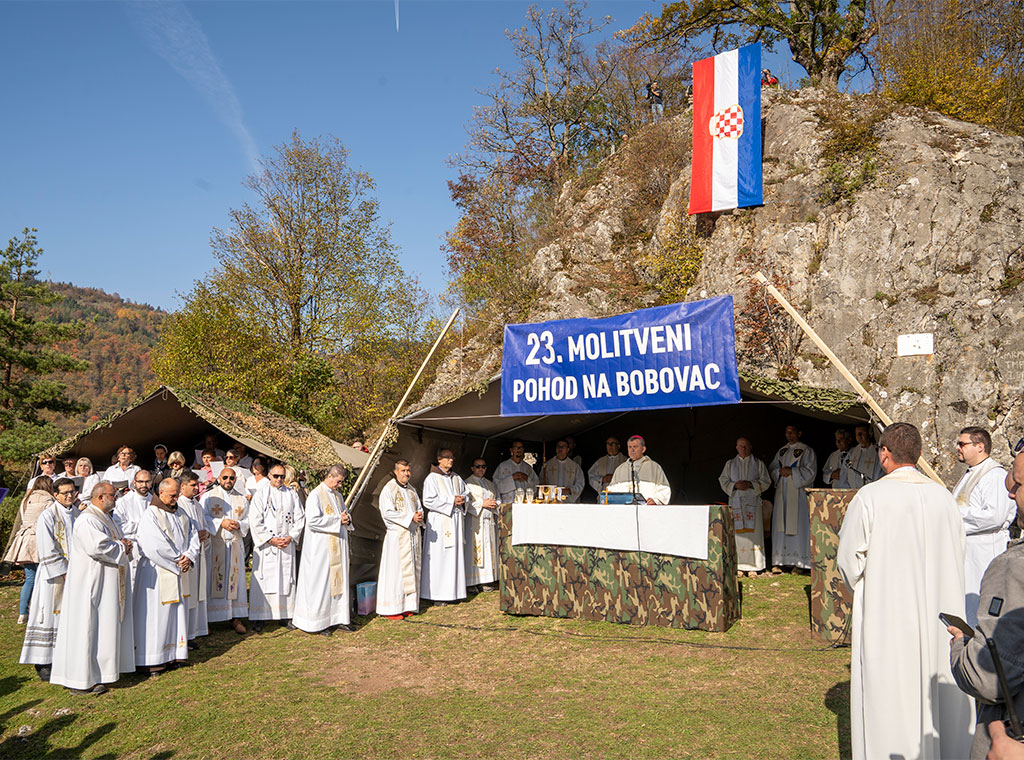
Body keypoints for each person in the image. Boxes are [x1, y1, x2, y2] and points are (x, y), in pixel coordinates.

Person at [837, 422, 972, 760]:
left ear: (884, 454)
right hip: (939, 614)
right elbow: (959, 552)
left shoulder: (870, 497)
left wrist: (870, 592)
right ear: (919, 454)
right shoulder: (944, 498)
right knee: (937, 688)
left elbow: (848, 561)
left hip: (888, 614)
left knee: (890, 690)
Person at [948, 450, 1024, 759]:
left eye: (1018, 484)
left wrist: (960, 647)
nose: (1010, 491)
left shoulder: (1014, 567)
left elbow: (988, 678)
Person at [49, 482, 135, 695]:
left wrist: (124, 544)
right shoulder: (88, 519)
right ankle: (80, 679)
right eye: (112, 495)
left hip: (105, 581)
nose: (116, 498)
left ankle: (99, 673)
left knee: (101, 627)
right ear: (100, 497)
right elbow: (98, 547)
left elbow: (113, 541)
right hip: (90, 583)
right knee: (86, 628)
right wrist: (122, 546)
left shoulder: (105, 517)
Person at [133, 478, 199, 674]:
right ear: (160, 493)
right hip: (157, 572)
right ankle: (152, 659)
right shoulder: (151, 515)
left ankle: (171, 655)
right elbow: (154, 545)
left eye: (177, 494)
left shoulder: (180, 512)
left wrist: (189, 555)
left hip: (177, 570)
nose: (175, 498)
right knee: (157, 617)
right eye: (172, 495)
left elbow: (193, 535)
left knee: (175, 614)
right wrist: (178, 560)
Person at [953, 425, 1013, 627]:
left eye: (962, 444)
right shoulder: (971, 473)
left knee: (982, 600)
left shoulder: (994, 475)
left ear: (979, 446)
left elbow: (995, 516)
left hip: (986, 549)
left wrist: (955, 516)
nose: (957, 448)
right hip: (970, 549)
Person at [19, 477, 78, 680]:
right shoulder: (48, 515)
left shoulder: (78, 514)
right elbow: (47, 547)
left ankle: (65, 656)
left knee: (69, 616)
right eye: (65, 493)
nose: (69, 496)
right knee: (50, 617)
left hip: (75, 574)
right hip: (53, 576)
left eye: (72, 492)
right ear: (55, 495)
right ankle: (44, 661)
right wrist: (63, 571)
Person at [293, 464, 354, 635]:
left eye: (341, 482)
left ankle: (338, 618)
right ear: (330, 476)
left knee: (337, 582)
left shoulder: (338, 496)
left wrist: (347, 519)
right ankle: (318, 622)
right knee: (320, 584)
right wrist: (337, 520)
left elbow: (344, 514)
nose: (340, 485)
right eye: (338, 481)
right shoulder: (315, 495)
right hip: (320, 549)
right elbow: (312, 521)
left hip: (337, 546)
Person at [249, 464, 305, 631]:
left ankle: (285, 615)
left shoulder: (291, 494)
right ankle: (260, 616)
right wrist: (270, 539)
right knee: (265, 579)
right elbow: (255, 520)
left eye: (282, 476)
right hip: (267, 546)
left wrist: (291, 536)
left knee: (286, 579)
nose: (279, 479)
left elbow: (300, 517)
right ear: (269, 475)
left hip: (286, 543)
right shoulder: (260, 495)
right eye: (276, 476)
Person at [202, 468, 250, 634]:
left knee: (235, 581)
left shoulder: (241, 498)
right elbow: (203, 517)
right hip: (217, 544)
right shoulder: (209, 496)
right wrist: (220, 523)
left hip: (235, 544)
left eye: (231, 478)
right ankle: (209, 618)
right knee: (213, 580)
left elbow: (248, 519)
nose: (228, 480)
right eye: (225, 477)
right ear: (219, 478)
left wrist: (240, 524)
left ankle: (235, 617)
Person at [420, 448, 470, 605]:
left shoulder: (456, 477)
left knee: (454, 556)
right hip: (440, 522)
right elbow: (428, 500)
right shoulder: (432, 478)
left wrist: (463, 499)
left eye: (452, 457)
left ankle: (454, 592)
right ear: (439, 459)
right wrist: (451, 501)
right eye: (447, 457)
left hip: (455, 520)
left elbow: (466, 493)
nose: (451, 460)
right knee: (440, 557)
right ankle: (438, 594)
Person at [376, 460, 423, 619]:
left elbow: (418, 508)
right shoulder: (389, 489)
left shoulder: (411, 490)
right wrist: (410, 517)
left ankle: (407, 605)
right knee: (395, 573)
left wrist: (419, 515)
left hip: (411, 535)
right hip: (397, 537)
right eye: (403, 470)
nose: (406, 473)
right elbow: (387, 512)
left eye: (408, 470)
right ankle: (391, 608)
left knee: (410, 571)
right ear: (396, 472)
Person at [5, 477, 56, 624]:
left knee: (29, 579)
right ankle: (40, 610)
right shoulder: (49, 501)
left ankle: (23, 613)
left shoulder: (26, 500)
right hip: (40, 540)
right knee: (43, 578)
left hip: (25, 539)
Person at [718, 437, 772, 575]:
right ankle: (739, 566)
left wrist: (750, 484)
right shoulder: (730, 464)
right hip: (736, 502)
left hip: (753, 503)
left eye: (745, 446)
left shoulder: (758, 464)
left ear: (750, 447)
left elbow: (766, 481)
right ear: (736, 447)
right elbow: (723, 480)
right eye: (740, 446)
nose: (743, 448)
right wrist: (735, 485)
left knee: (754, 534)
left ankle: (754, 567)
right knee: (738, 535)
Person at [769, 424, 817, 572]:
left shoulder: (807, 451)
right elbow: (772, 469)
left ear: (799, 433)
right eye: (787, 432)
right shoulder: (782, 451)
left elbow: (811, 472)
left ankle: (800, 563)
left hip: (798, 494)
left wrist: (792, 472)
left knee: (798, 525)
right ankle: (780, 561)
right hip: (781, 494)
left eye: (792, 432)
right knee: (780, 526)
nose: (789, 435)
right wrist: (779, 472)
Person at [176, 471, 210, 645]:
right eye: (193, 485)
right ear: (182, 486)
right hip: (187, 554)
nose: (196, 488)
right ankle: (186, 634)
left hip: (199, 552)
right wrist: (197, 535)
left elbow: (204, 525)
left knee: (197, 592)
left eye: (197, 484)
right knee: (188, 594)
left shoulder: (196, 503)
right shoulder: (179, 505)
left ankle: (196, 629)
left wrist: (205, 533)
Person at [112, 469, 154, 584]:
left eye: (147, 482)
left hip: (150, 548)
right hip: (132, 548)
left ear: (151, 483)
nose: (144, 485)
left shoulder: (154, 501)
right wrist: (143, 525)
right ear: (134, 483)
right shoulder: (123, 502)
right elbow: (119, 526)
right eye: (140, 482)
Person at [465, 458, 499, 592]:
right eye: (478, 466)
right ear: (472, 468)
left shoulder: (490, 484)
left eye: (483, 467)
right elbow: (466, 503)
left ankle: (485, 580)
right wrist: (482, 504)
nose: (481, 469)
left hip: (488, 521)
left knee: (487, 551)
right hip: (474, 523)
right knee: (474, 551)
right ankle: (471, 581)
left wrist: (495, 504)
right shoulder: (467, 483)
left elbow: (498, 499)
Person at [608, 435, 672, 505]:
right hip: (624, 509)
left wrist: (655, 500)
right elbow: (611, 490)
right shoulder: (620, 469)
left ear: (643, 449)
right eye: (630, 447)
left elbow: (664, 489)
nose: (632, 450)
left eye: (635, 447)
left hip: (647, 508)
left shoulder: (654, 467)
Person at [844, 424, 882, 488]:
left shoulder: (877, 452)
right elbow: (844, 473)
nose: (859, 436)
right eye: (857, 434)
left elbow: (880, 472)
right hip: (853, 490)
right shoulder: (852, 452)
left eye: (862, 433)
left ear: (870, 434)